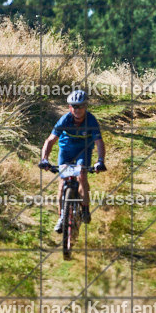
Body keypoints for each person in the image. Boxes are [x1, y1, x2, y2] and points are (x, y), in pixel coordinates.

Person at [38, 90, 106, 233]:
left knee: (82, 175)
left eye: (80, 106)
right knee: (62, 182)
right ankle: (61, 217)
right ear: (70, 107)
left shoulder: (91, 120)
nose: (77, 109)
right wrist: (44, 159)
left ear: (85, 106)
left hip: (84, 151)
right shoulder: (65, 119)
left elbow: (99, 142)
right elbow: (50, 140)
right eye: (74, 106)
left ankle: (85, 209)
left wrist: (100, 161)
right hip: (66, 151)